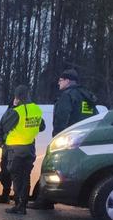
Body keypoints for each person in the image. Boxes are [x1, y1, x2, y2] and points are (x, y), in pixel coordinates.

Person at [29, 68, 97, 209]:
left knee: (51, 168)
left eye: (60, 80)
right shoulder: (87, 97)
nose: (59, 83)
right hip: (84, 141)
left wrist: (57, 137)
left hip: (68, 140)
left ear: (67, 80)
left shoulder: (68, 95)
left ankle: (45, 200)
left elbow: (61, 118)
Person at [0, 85, 46, 215]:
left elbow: (4, 125)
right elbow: (42, 127)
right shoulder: (36, 109)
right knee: (26, 177)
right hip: (29, 148)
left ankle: (18, 205)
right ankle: (23, 204)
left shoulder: (16, 111)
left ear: (17, 97)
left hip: (15, 149)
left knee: (17, 177)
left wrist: (13, 107)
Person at [0, 102, 14, 204]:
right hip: (7, 149)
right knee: (5, 174)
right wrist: (1, 143)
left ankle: (20, 199)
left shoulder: (24, 111)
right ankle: (5, 196)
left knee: (18, 175)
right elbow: (0, 128)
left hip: (17, 149)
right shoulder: (8, 112)